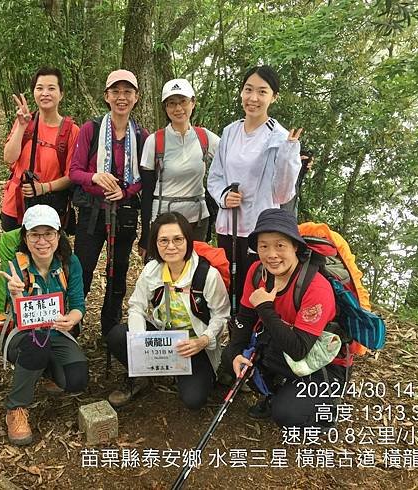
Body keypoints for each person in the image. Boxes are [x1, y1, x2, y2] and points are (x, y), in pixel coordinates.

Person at [223, 208, 347, 427]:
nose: (271, 254)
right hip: (278, 346)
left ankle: (324, 405)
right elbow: (244, 321)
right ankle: (277, 391)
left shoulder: (315, 287)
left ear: (295, 247)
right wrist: (234, 355)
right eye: (264, 246)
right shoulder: (256, 272)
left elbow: (299, 349)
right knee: (228, 358)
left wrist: (265, 308)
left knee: (287, 415)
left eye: (280, 245)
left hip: (322, 360)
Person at [106, 212, 230, 408]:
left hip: (192, 344)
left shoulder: (207, 275)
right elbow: (136, 306)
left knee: (194, 400)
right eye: (163, 240)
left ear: (188, 241)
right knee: (117, 335)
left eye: (178, 239)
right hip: (160, 339)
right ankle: (140, 376)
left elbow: (221, 315)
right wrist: (140, 340)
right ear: (155, 243)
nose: (171, 247)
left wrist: (203, 340)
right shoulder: (152, 270)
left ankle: (189, 373)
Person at [207, 65, 303, 314]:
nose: (253, 98)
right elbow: (215, 177)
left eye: (262, 92)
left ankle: (252, 342)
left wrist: (289, 153)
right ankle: (229, 335)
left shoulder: (280, 138)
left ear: (274, 97)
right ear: (241, 92)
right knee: (228, 284)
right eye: (248, 90)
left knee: (255, 289)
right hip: (229, 224)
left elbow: (283, 193)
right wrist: (224, 196)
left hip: (259, 229)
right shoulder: (230, 131)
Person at [0, 205, 87, 446]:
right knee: (36, 347)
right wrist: (15, 294)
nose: (42, 241)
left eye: (48, 233)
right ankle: (16, 408)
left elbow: (78, 302)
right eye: (35, 234)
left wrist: (74, 318)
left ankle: (45, 371)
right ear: (25, 238)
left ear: (58, 236)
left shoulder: (70, 263)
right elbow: (17, 317)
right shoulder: (17, 267)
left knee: (76, 380)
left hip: (57, 331)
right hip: (23, 336)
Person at [69, 69, 147, 338]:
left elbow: (144, 179)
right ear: (106, 96)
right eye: (116, 92)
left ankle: (110, 330)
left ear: (136, 97)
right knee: (82, 268)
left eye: (127, 92)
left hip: (124, 214)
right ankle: (72, 326)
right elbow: (75, 172)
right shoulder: (91, 129)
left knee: (118, 272)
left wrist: (125, 192)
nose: (121, 97)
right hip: (92, 212)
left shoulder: (141, 135)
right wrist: (95, 177)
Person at [138, 78, 220, 255]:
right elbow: (147, 192)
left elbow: (232, 158)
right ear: (165, 108)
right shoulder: (155, 141)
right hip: (163, 221)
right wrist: (145, 235)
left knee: (194, 273)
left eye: (183, 101)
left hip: (197, 220)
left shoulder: (204, 137)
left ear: (193, 102)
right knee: (162, 276)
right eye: (172, 103)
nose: (178, 108)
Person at [0, 66, 80, 232]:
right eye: (39, 88)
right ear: (34, 93)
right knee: (17, 257)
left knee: (46, 254)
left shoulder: (71, 131)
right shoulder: (24, 121)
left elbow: (71, 176)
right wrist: (21, 126)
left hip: (50, 210)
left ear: (61, 94)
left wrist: (43, 187)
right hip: (16, 206)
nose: (45, 93)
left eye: (51, 88)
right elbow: (8, 157)